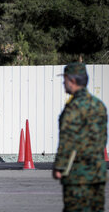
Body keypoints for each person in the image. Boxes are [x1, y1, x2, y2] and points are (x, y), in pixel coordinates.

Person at [53, 62, 107, 211]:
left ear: (73, 81)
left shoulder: (74, 107)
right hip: (98, 173)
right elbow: (103, 138)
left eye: (64, 79)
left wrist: (59, 167)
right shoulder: (99, 105)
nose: (63, 83)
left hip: (78, 175)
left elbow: (67, 140)